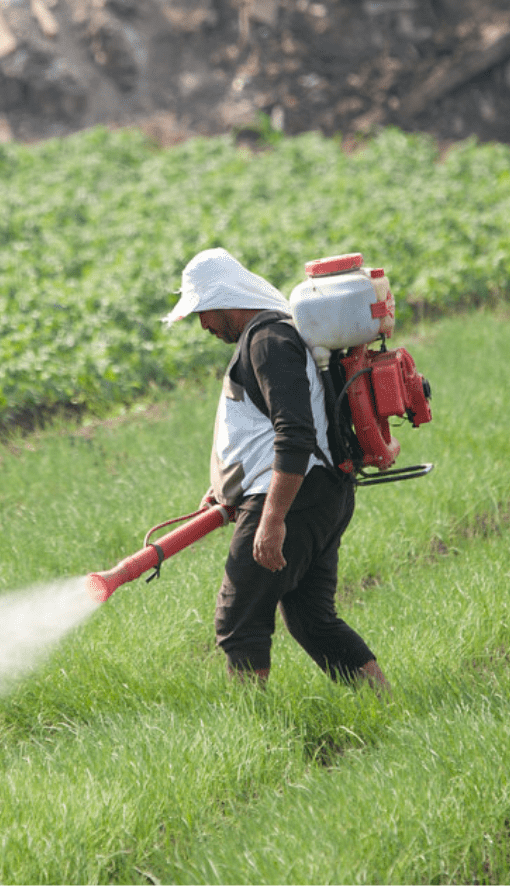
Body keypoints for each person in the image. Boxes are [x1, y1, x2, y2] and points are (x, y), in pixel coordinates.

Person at [163, 247, 388, 689]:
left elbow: (296, 433)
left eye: (203, 313)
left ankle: (250, 734)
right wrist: (231, 485)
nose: (205, 326)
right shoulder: (275, 336)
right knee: (313, 622)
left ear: (224, 300)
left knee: (238, 621)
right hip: (320, 493)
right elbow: (267, 431)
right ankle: (385, 708)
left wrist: (272, 518)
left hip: (292, 497)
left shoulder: (268, 341)